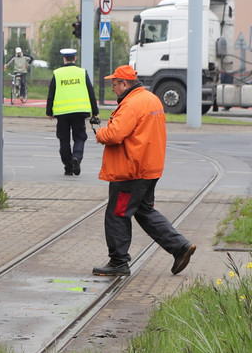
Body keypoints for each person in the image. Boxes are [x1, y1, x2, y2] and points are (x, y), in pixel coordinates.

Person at [92, 65, 195, 277]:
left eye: (114, 84)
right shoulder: (151, 99)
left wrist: (100, 132)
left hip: (131, 171)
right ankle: (180, 247)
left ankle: (119, 262)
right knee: (144, 211)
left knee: (118, 214)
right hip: (149, 168)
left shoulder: (131, 104)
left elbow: (114, 135)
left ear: (125, 83)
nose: (113, 88)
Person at [45, 48, 100, 176]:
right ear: (75, 58)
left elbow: (51, 93)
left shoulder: (57, 73)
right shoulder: (82, 73)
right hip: (79, 112)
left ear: (64, 59)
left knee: (64, 140)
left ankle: (68, 167)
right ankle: (77, 156)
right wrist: (95, 111)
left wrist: (49, 111)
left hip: (62, 113)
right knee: (80, 137)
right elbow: (91, 92)